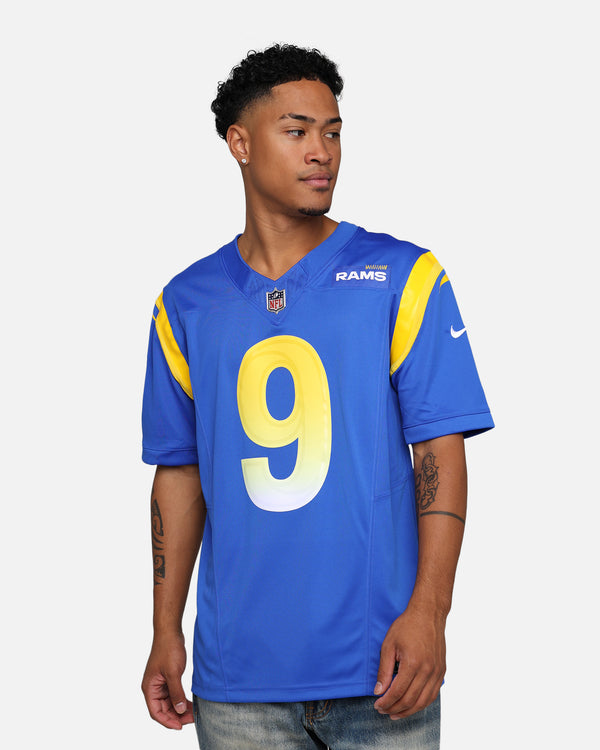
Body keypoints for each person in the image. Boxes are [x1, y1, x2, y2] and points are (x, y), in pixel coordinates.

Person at [141, 43, 493, 749]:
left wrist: (431, 612)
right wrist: (164, 630)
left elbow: (439, 449)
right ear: (240, 143)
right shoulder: (185, 302)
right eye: (296, 131)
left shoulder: (403, 275)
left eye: (332, 132)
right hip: (237, 682)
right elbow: (179, 473)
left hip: (384, 671)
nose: (321, 151)